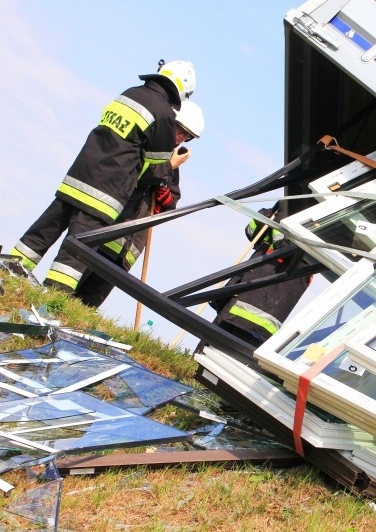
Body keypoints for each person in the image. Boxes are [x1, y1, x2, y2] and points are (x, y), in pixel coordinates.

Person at [9, 60, 197, 293]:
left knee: (41, 232)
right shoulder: (163, 115)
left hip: (77, 179)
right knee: (74, 253)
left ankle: (7, 274)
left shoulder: (128, 95)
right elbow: (151, 173)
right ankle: (50, 302)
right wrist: (171, 165)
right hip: (105, 194)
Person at [74, 100, 205, 308]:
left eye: (186, 136)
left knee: (87, 307)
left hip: (126, 251)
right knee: (68, 293)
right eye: (180, 130)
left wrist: (164, 185)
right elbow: (130, 179)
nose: (181, 138)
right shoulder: (147, 146)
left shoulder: (173, 165)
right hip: (105, 234)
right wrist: (166, 167)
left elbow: (171, 204)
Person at [195, 206, 312, 352]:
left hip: (262, 308)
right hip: (244, 291)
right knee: (206, 347)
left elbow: (284, 246)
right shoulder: (287, 204)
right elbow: (253, 235)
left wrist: (281, 224)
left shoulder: (316, 219)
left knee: (232, 355)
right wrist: (262, 219)